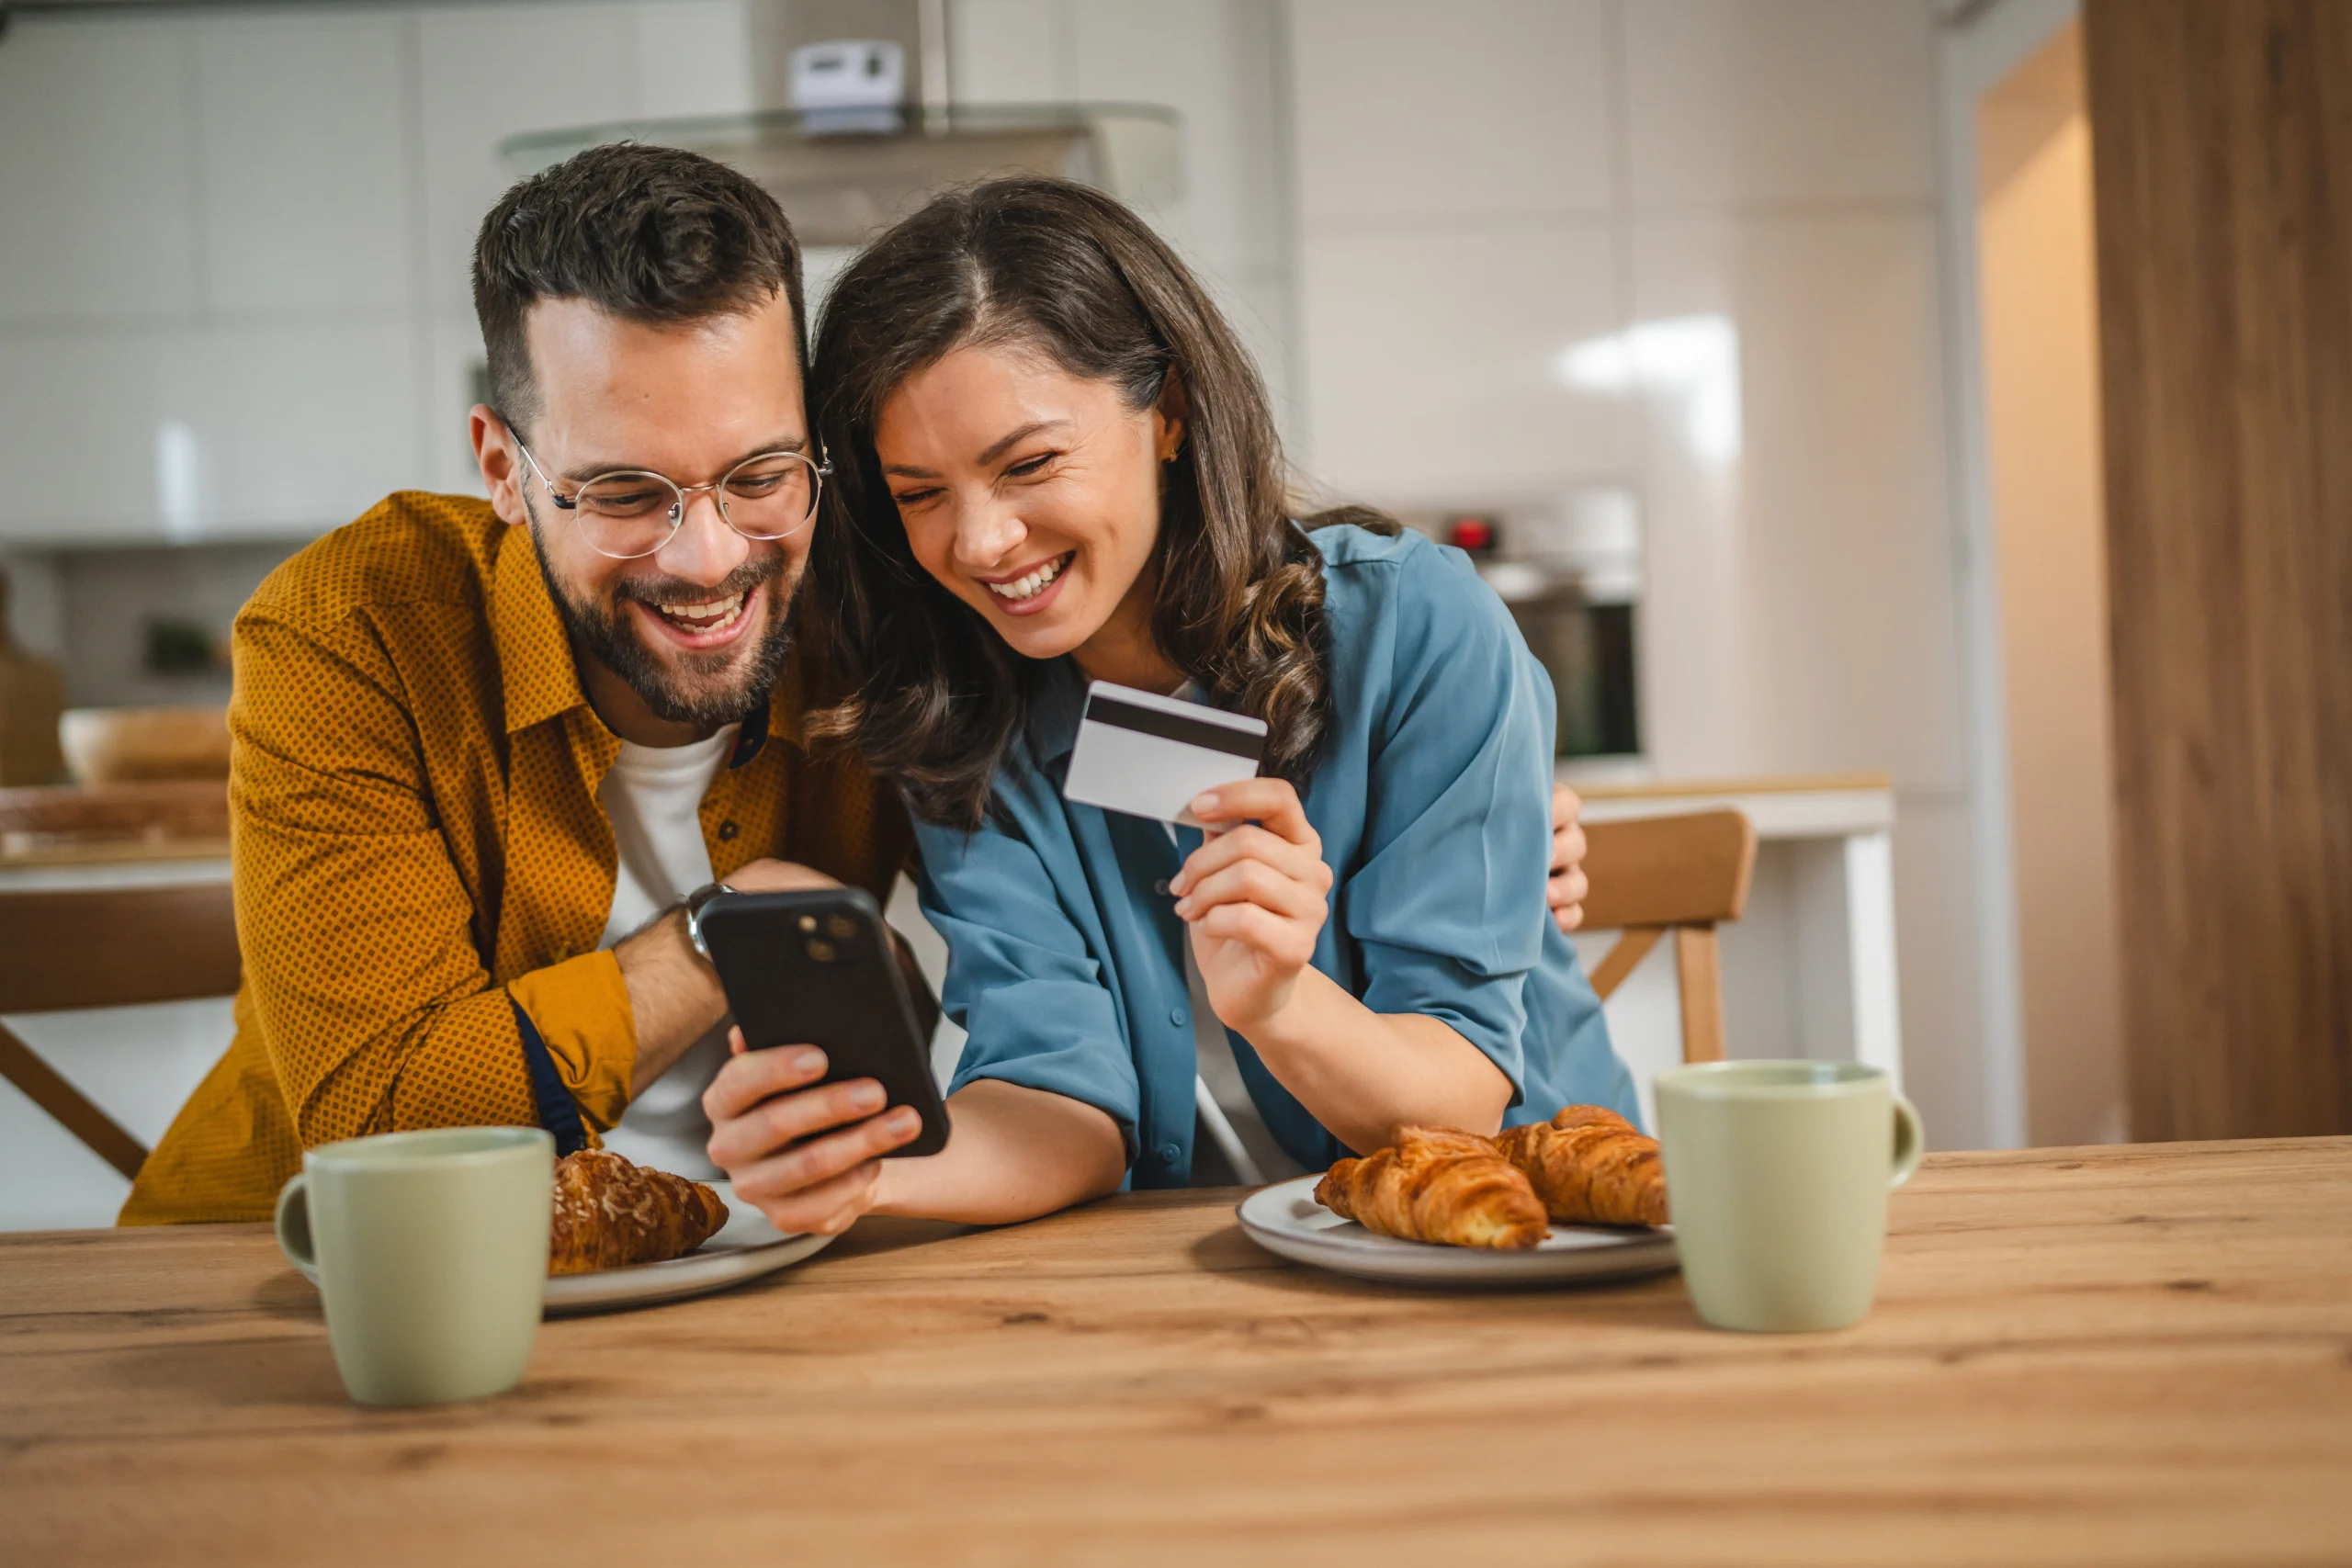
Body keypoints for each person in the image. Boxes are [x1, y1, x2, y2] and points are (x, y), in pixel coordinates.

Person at [120, 145, 1592, 1226]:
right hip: (346, 1255)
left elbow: (1449, 1034)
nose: (707, 555)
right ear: (505, 465)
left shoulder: (899, 625)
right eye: (626, 489)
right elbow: (1054, 1075)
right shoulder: (357, 633)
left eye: (761, 475)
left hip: (1440, 1236)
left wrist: (1497, 809)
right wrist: (746, 969)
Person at [702, 177, 1637, 1238]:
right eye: (919, 493)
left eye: (1031, 463)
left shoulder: (1416, 625)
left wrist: (1280, 1003)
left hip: (1517, 1234)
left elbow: (1457, 1102)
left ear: (1171, 413)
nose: (979, 542)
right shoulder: (961, 713)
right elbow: (1057, 1089)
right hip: (1187, 1269)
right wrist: (874, 1173)